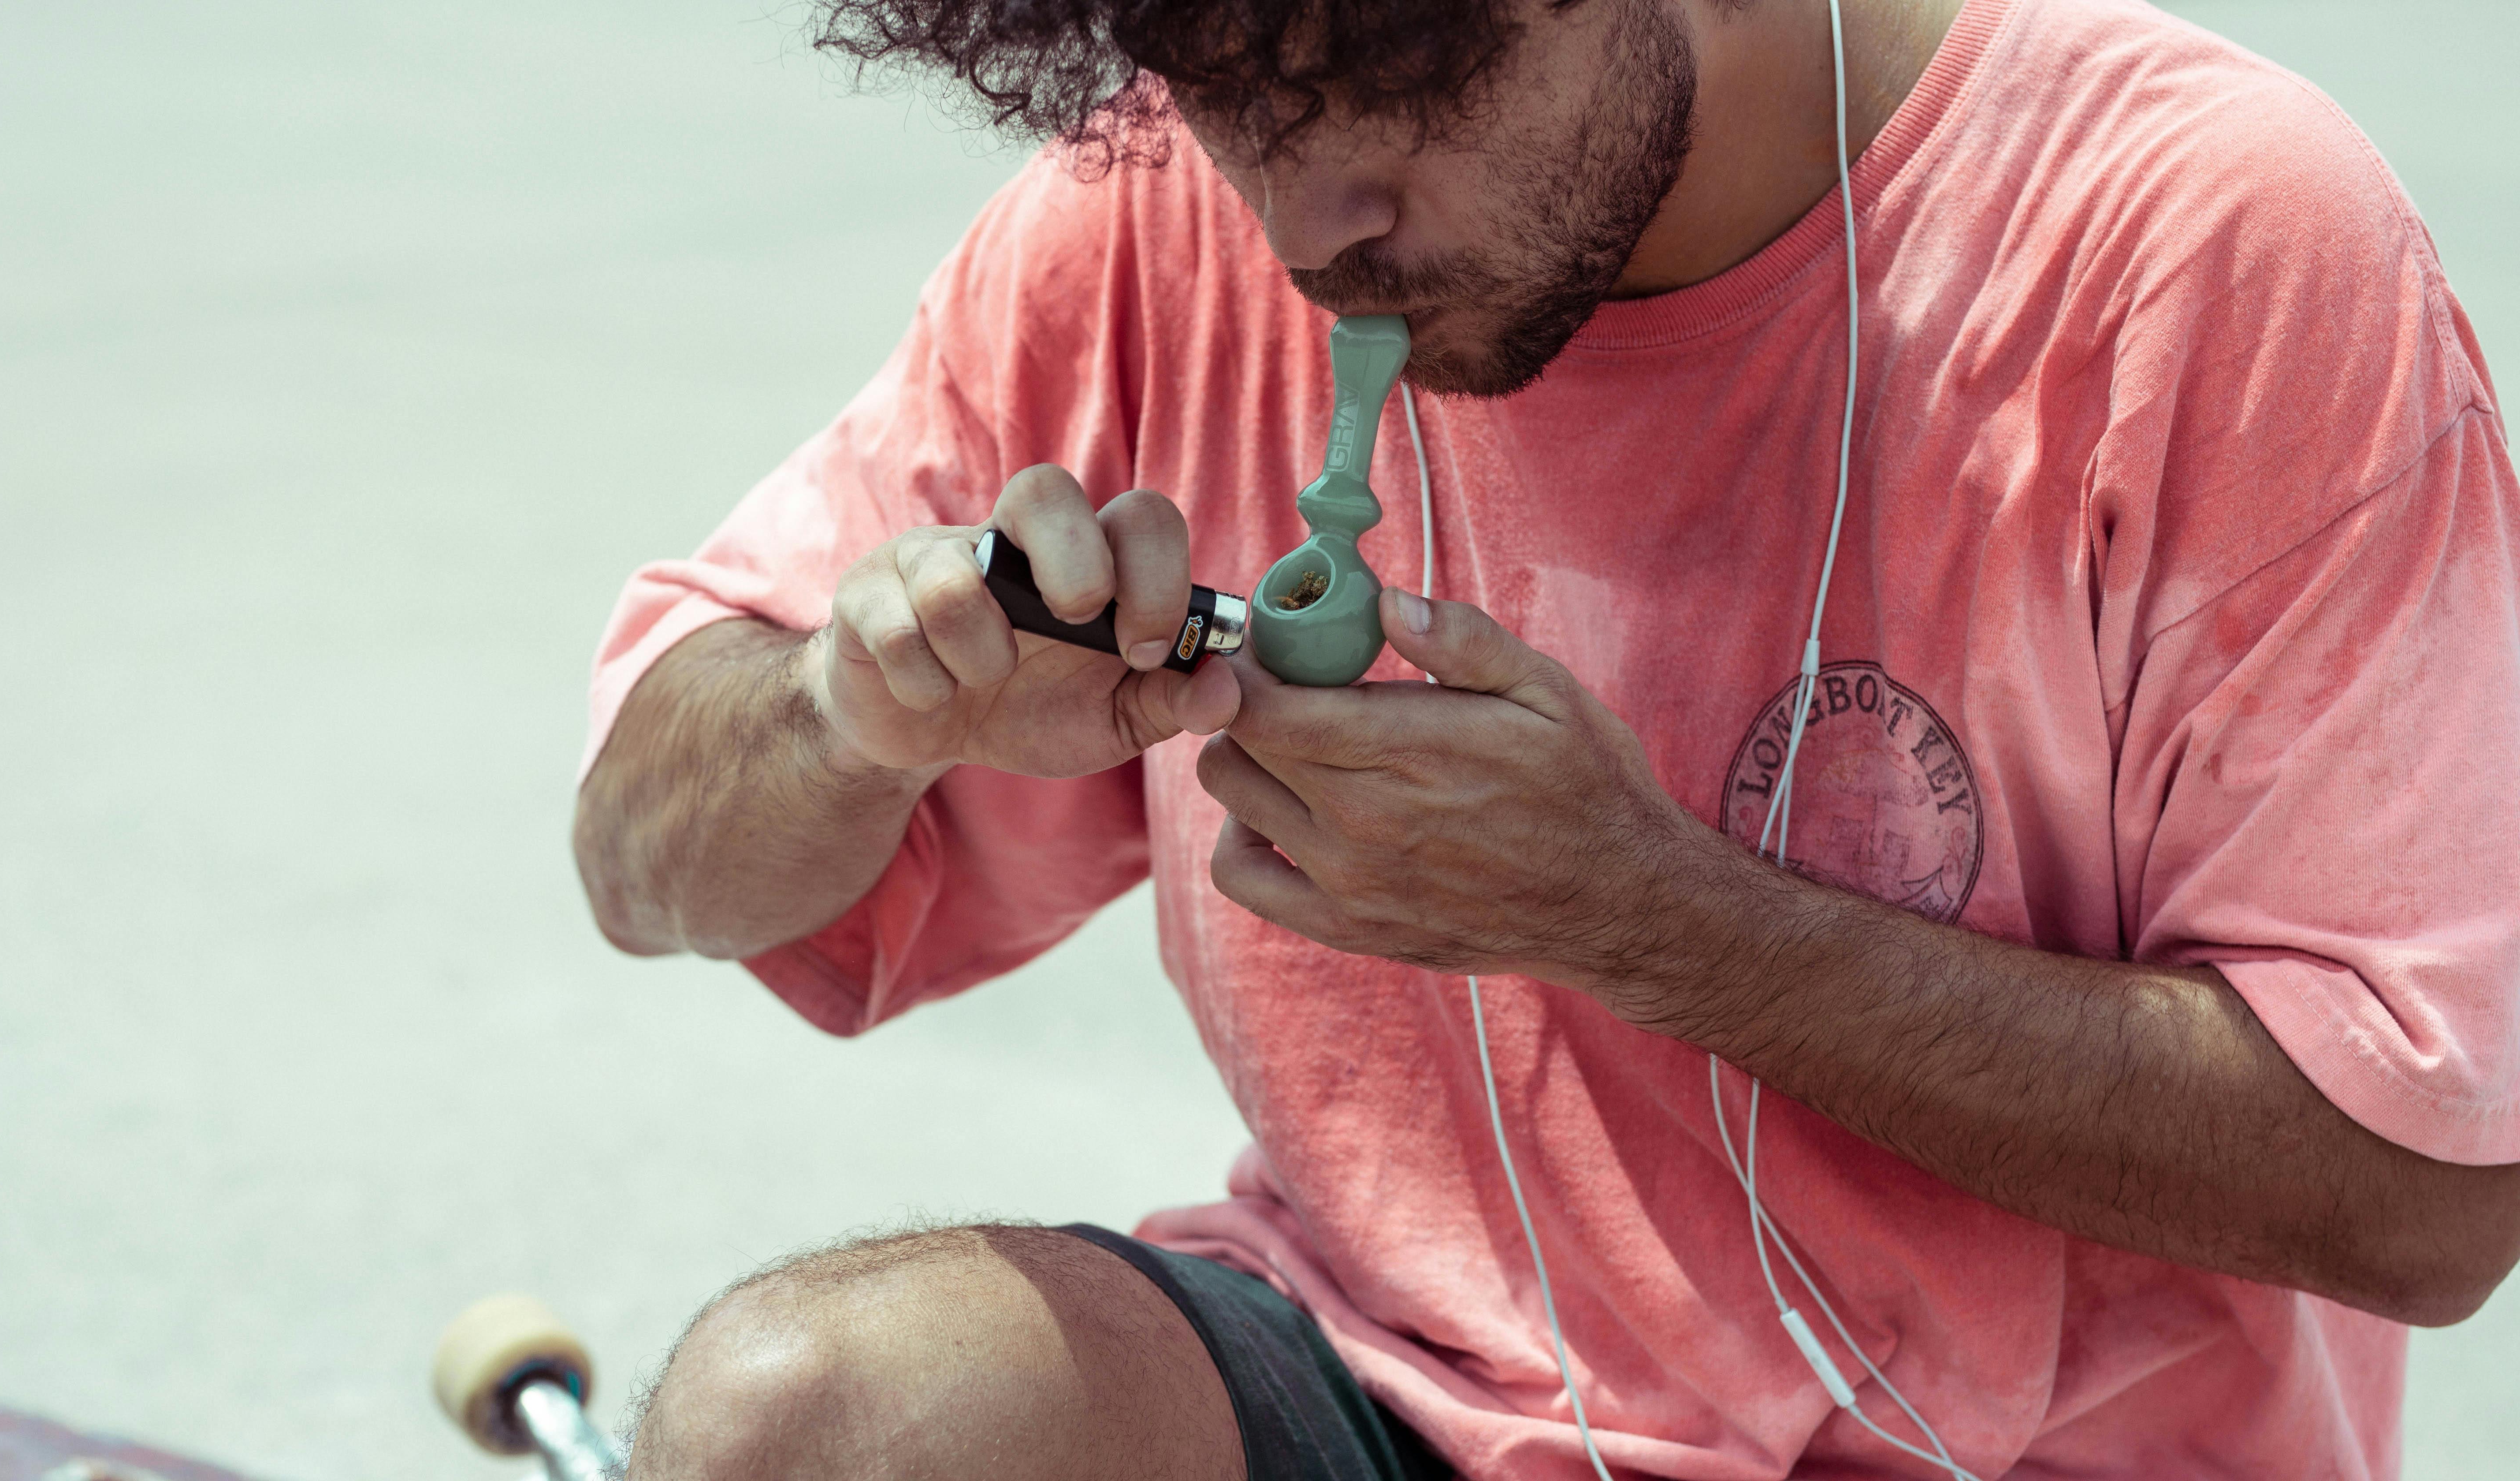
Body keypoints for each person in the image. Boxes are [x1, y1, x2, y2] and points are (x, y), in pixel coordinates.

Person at [572, 0, 2520, 1474]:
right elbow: (645, 860)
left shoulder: (2204, 244)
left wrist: (1650, 916)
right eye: (1231, 82)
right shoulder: (1154, 215)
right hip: (1403, 1383)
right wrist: (854, 712)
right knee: (808, 1416)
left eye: (1406, 66)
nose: (1306, 217)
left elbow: (2433, 1195)